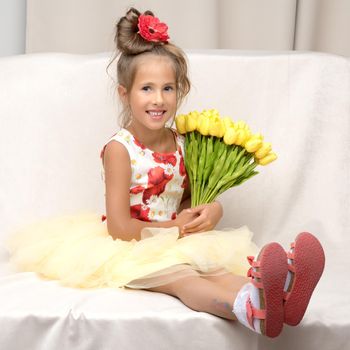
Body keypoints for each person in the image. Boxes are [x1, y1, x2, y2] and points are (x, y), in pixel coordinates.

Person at [5, 7, 325, 339]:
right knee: (183, 279)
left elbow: (186, 199)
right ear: (124, 94)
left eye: (168, 89)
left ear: (180, 91)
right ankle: (251, 309)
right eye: (147, 89)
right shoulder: (120, 149)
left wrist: (212, 210)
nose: (158, 99)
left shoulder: (183, 143)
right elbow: (119, 228)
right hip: (131, 247)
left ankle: (280, 297)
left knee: (215, 269)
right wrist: (172, 227)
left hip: (178, 239)